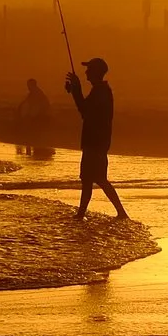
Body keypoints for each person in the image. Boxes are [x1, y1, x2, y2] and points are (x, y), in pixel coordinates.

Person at [63, 56, 127, 219]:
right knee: (92, 179)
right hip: (97, 142)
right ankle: (83, 213)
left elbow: (84, 111)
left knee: (95, 179)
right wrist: (76, 91)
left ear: (97, 72)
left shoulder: (101, 92)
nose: (86, 72)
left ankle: (119, 212)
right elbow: (86, 110)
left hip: (95, 143)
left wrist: (76, 90)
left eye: (89, 69)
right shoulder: (100, 91)